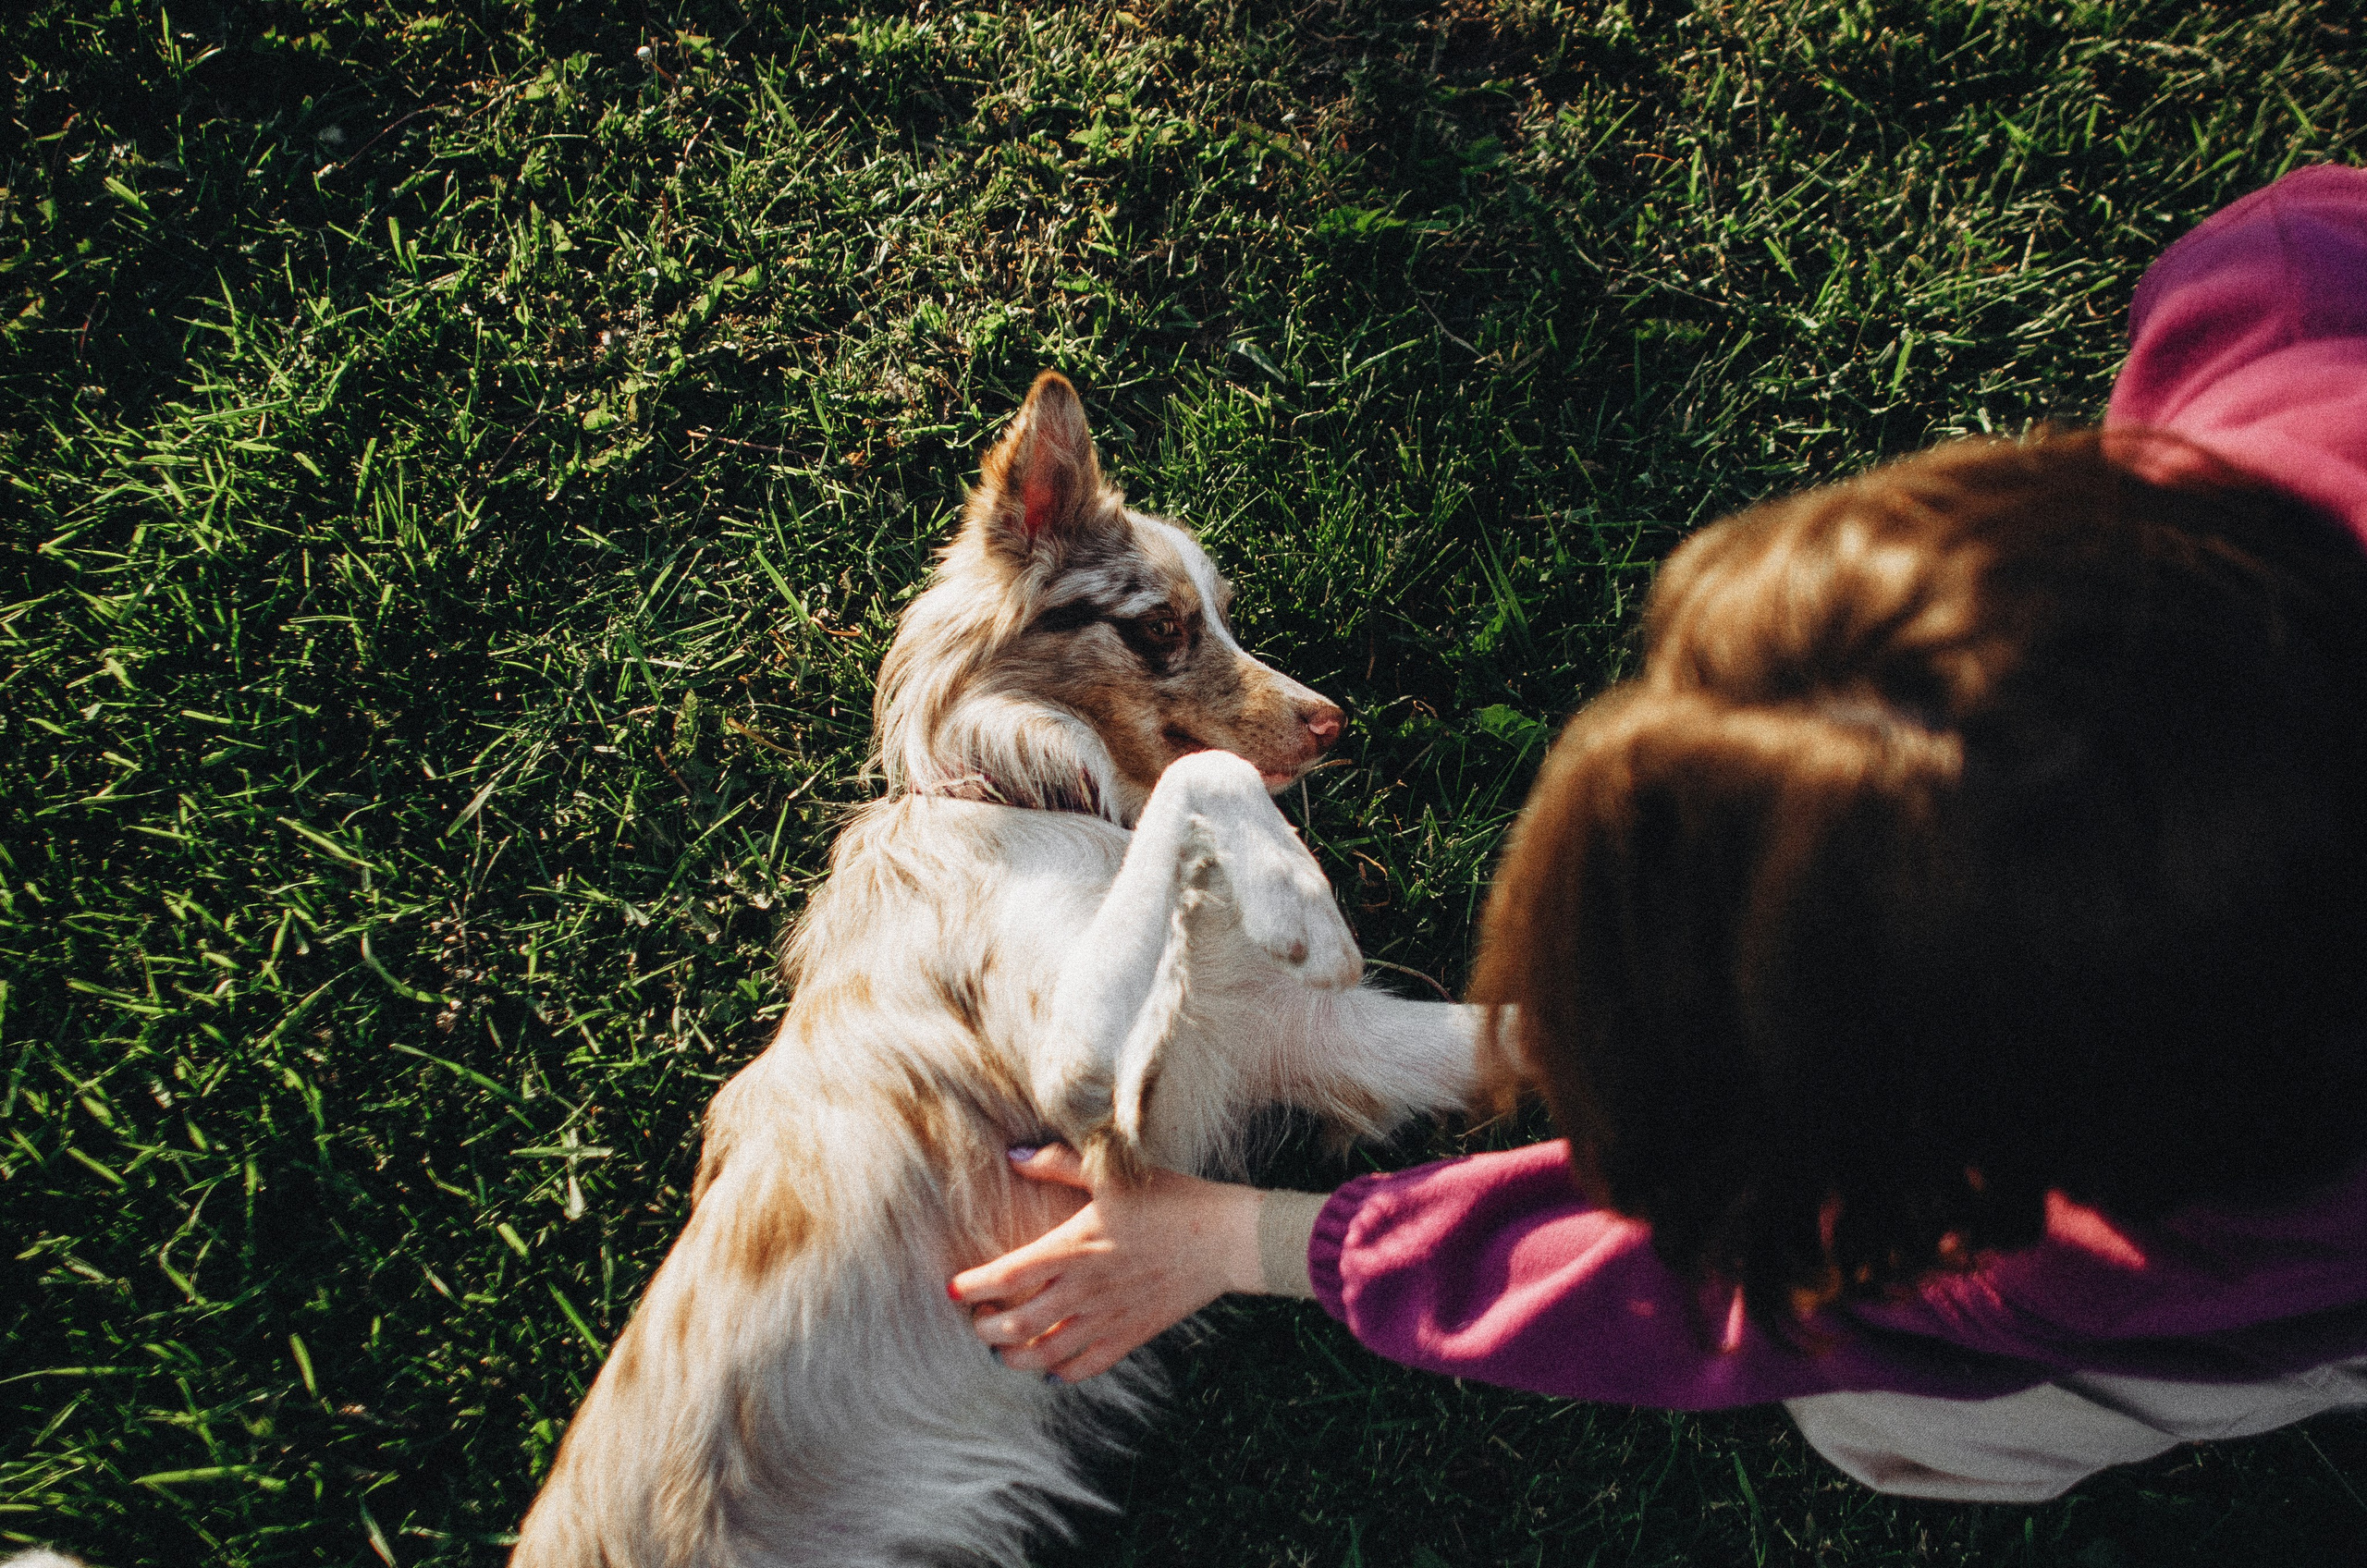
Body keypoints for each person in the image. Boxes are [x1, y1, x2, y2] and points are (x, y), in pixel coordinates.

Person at [949, 164, 2367, 1502]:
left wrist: (1247, 1237)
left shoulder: (2112, 1244)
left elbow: (1727, 1279)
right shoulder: (2282, 315)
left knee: (1886, 1415)